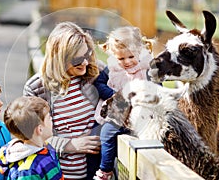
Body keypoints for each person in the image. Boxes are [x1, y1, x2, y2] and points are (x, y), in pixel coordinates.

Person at [23, 21, 102, 180]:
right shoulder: (36, 88)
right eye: (78, 59)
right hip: (55, 173)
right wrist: (70, 146)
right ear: (60, 58)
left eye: (87, 55)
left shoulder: (94, 74)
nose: (85, 62)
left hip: (94, 171)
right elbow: (31, 137)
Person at [93, 26, 155, 180]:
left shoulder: (148, 68)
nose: (127, 62)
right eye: (121, 58)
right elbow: (99, 84)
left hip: (142, 114)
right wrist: (114, 95)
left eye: (131, 56)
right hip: (119, 112)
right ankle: (105, 170)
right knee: (106, 133)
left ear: (139, 50)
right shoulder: (113, 69)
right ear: (114, 56)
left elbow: (157, 88)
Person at [0, 96, 64, 180]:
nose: (51, 119)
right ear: (39, 129)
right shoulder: (27, 171)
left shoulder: (44, 146)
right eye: (48, 117)